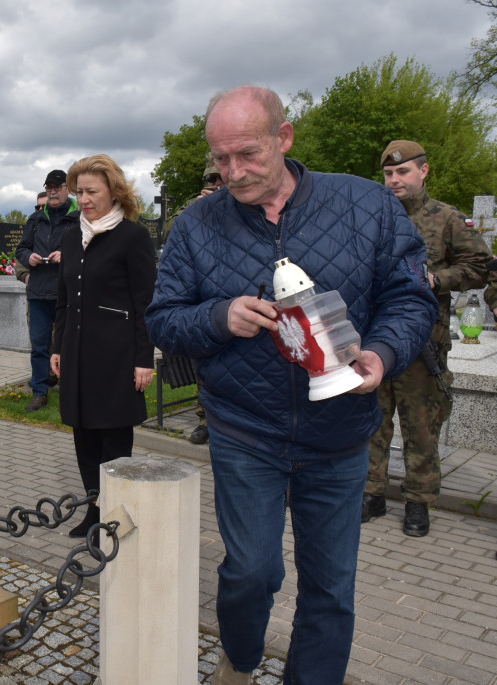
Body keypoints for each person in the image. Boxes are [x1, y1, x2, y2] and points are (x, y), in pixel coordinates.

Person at [145, 86, 437, 684]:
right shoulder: (197, 225)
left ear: (285, 137)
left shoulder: (367, 206)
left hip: (341, 436)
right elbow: (163, 315)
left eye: (247, 154)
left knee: (331, 586)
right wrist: (217, 317)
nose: (233, 172)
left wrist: (381, 355)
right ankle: (243, 658)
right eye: (220, 159)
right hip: (245, 431)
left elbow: (410, 298)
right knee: (251, 571)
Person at [363, 141, 490, 537]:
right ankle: (372, 492)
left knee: (421, 424)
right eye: (388, 174)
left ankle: (419, 500)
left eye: (403, 172)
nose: (395, 180)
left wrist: (436, 279)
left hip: (423, 342)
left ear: (423, 171)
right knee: (372, 420)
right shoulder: (371, 217)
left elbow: (478, 267)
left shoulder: (448, 219)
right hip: (376, 337)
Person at [51, 154, 156, 538]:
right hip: (77, 352)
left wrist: (145, 358)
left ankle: (117, 513)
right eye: (79, 191)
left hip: (116, 355)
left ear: (114, 191)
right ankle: (93, 509)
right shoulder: (70, 235)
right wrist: (58, 346)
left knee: (112, 435)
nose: (84, 199)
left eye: (92, 191)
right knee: (83, 432)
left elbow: (146, 303)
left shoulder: (132, 237)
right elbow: (63, 298)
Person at [162, 152, 224, 445]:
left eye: (220, 178)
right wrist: (198, 211)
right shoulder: (195, 205)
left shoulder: (251, 200)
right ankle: (205, 420)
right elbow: (168, 232)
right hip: (204, 299)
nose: (216, 183)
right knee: (204, 364)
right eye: (211, 179)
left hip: (239, 296)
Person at [16, 170, 79, 412]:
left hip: (67, 292)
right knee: (39, 346)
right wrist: (27, 257)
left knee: (69, 345)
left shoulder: (78, 219)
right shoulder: (35, 219)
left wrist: (67, 255)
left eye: (58, 187)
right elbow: (21, 248)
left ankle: (69, 389)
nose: (53, 191)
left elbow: (89, 250)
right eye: (49, 187)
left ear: (67, 189)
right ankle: (40, 392)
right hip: (39, 291)